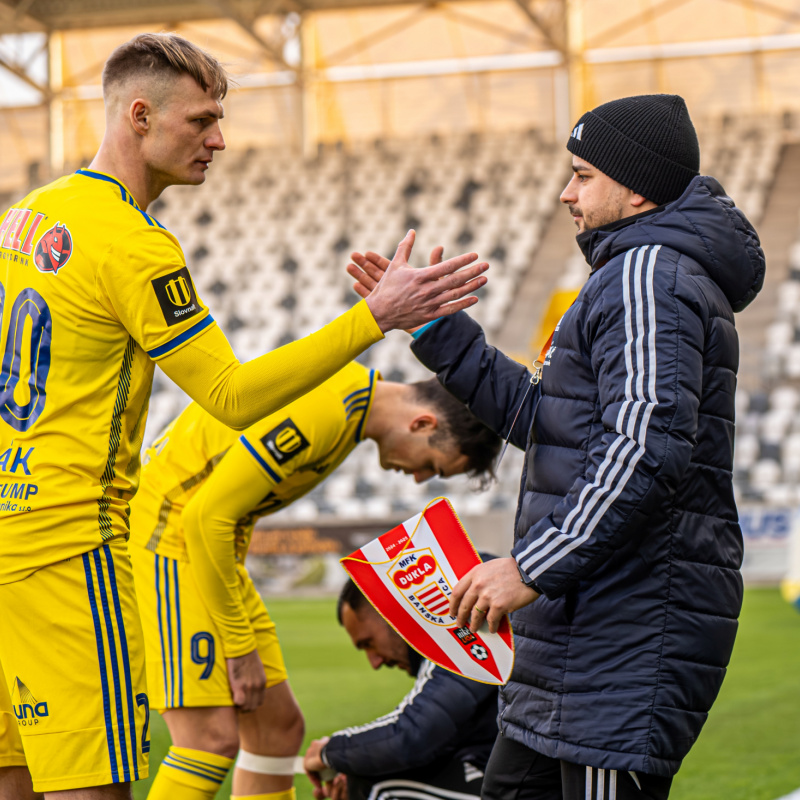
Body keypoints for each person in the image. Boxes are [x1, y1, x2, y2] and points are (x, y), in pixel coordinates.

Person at [0, 32, 488, 800]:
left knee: (18, 776)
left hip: (8, 526)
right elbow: (229, 395)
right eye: (201, 121)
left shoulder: (33, 214)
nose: (218, 140)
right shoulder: (136, 243)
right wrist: (373, 317)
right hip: (69, 541)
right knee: (96, 785)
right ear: (138, 115)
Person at [348, 94, 765, 799]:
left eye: (583, 175)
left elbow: (644, 451)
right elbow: (547, 420)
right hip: (576, 644)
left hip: (623, 641)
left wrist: (530, 567)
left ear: (636, 188)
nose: (565, 192)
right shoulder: (630, 275)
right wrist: (438, 332)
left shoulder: (647, 276)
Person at [128, 362, 501, 800]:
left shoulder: (348, 406)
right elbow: (205, 516)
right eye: (433, 466)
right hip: (169, 541)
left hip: (211, 553)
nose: (419, 478)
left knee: (277, 729)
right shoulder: (332, 405)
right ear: (423, 423)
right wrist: (240, 646)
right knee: (207, 740)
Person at [303, 578, 498, 800]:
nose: (374, 662)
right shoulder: (468, 603)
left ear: (393, 615)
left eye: (368, 643)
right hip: (516, 773)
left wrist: (329, 752)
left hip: (533, 786)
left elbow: (414, 733)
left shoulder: (467, 616)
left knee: (378, 787)